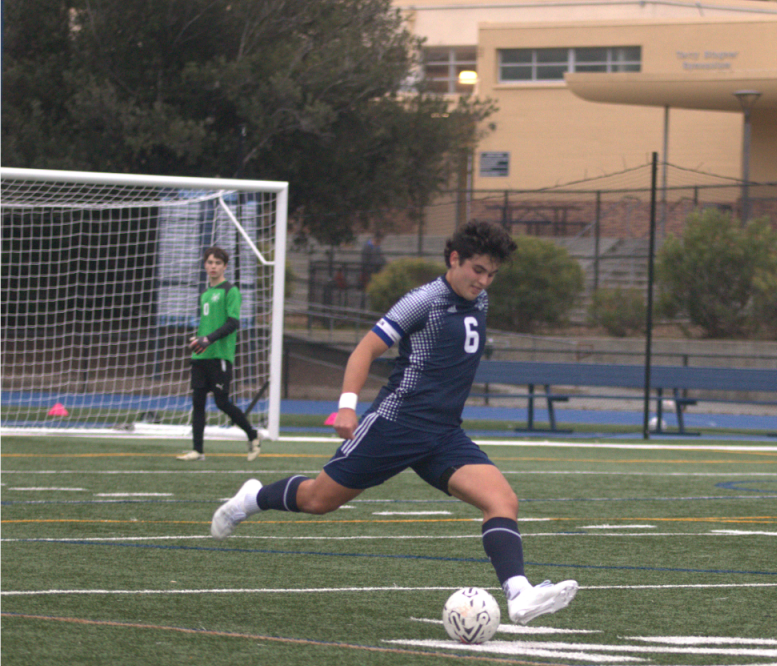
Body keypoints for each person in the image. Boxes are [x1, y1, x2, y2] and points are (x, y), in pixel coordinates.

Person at [209, 221, 578, 625]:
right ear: (454, 259)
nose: (484, 281)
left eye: (492, 274)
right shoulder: (424, 300)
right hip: (395, 424)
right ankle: (252, 498)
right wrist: (347, 407)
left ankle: (519, 594)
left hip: (443, 433)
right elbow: (365, 349)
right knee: (318, 500)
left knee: (503, 501)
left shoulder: (480, 300)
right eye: (477, 270)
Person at [177, 246, 261, 462]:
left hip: (220, 356)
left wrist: (209, 339)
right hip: (200, 356)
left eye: (217, 263)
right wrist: (198, 339)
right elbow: (207, 324)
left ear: (224, 266)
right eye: (210, 262)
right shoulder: (205, 294)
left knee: (222, 403)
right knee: (197, 402)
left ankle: (252, 435)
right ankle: (198, 451)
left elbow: (233, 322)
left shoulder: (230, 291)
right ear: (205, 264)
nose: (213, 266)